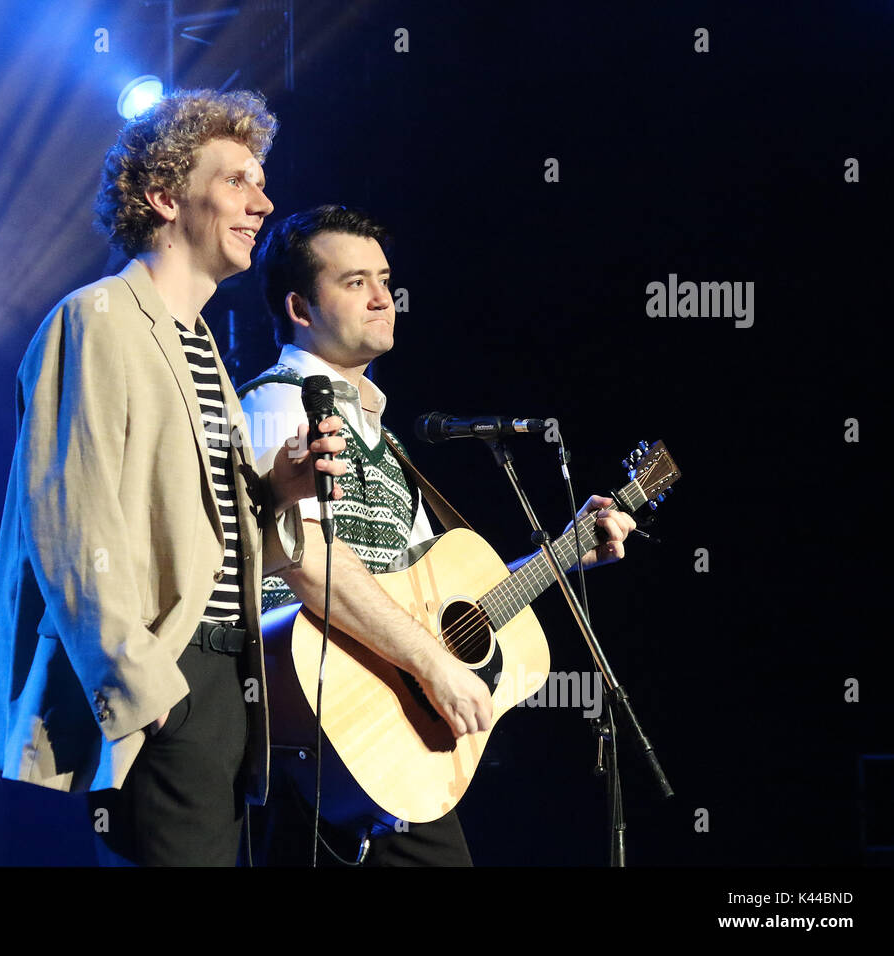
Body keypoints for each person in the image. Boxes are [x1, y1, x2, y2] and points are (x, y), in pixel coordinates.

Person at [0, 91, 347, 866]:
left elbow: (216, 545)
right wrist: (145, 691)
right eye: (238, 180)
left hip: (224, 677)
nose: (263, 201)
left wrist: (279, 489)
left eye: (260, 180)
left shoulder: (200, 342)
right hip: (166, 680)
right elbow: (69, 527)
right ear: (165, 196)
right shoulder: (97, 318)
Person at [238, 205, 637, 865]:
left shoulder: (378, 435)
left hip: (387, 739)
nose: (381, 298)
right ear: (300, 308)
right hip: (327, 724)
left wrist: (565, 555)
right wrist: (433, 664)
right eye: (353, 282)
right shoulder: (281, 403)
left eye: (385, 278)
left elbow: (432, 593)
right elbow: (305, 563)